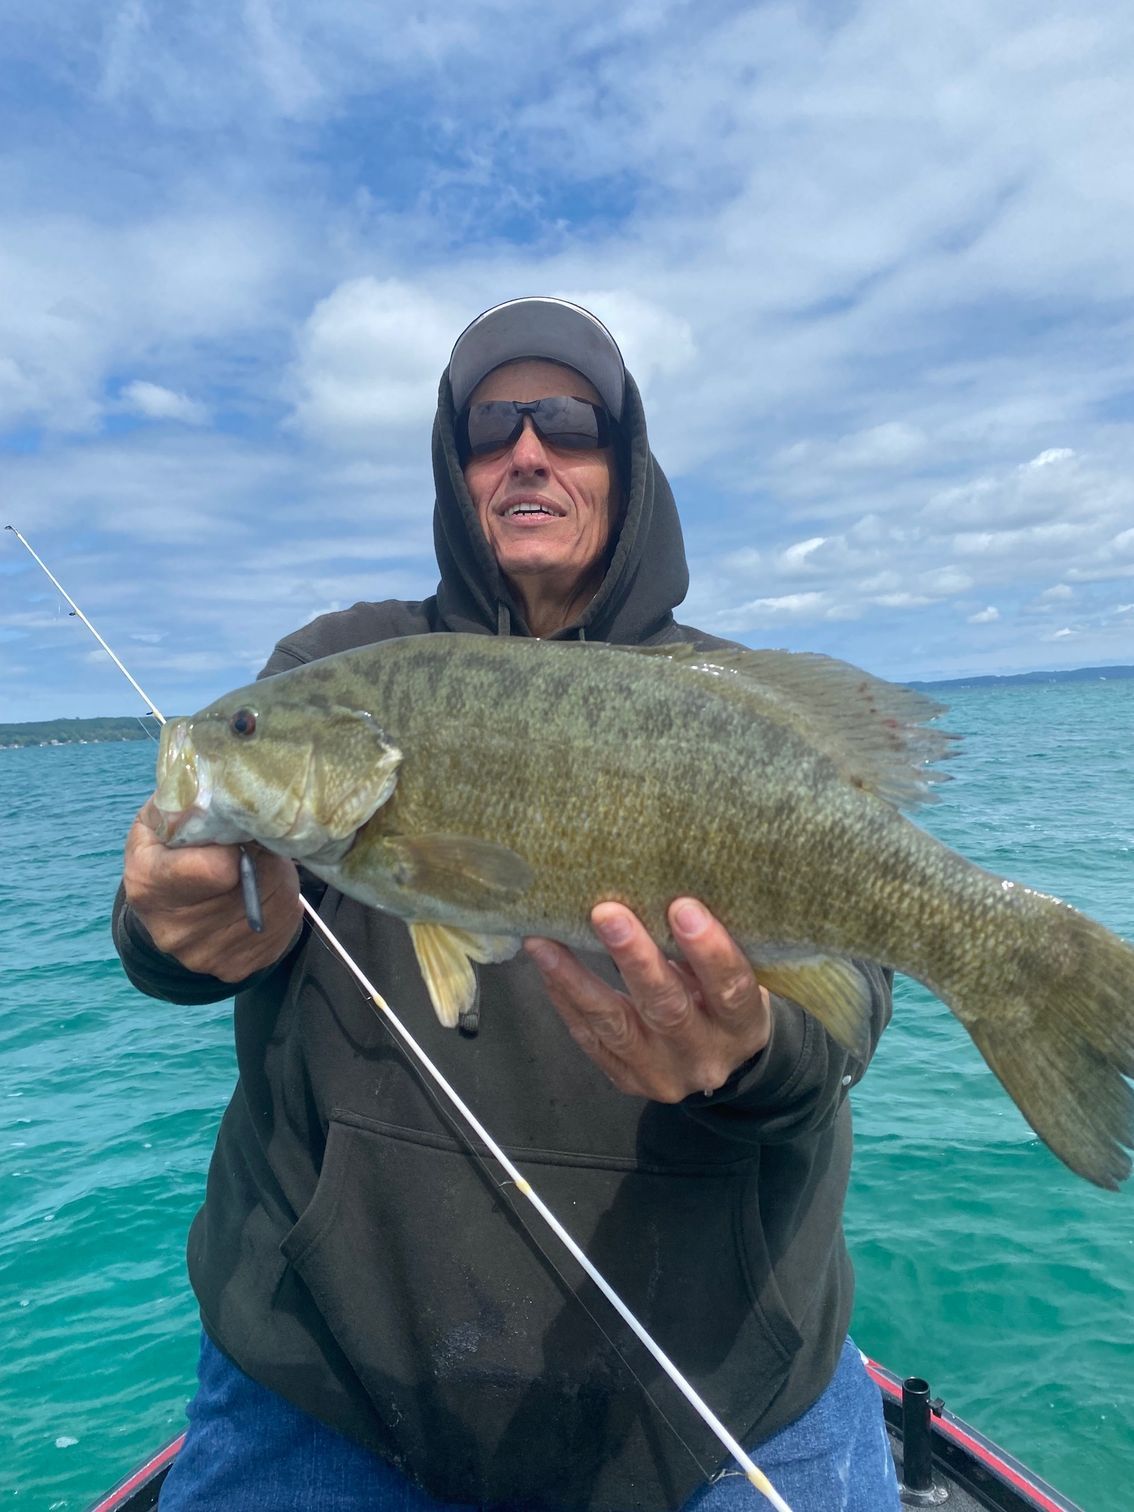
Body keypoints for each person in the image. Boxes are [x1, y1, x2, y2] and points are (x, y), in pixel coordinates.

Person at [114, 297, 899, 1512]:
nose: (528, 450)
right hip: (325, 1378)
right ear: (456, 467)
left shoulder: (729, 701)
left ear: (626, 462)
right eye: (491, 428)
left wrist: (752, 1057)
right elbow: (193, 913)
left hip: (719, 1387)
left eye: (569, 422)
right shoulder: (332, 664)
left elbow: (846, 1012)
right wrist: (165, 925)